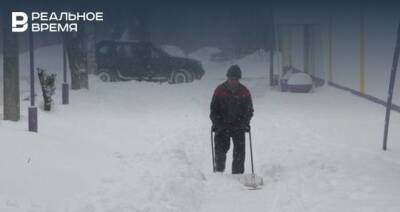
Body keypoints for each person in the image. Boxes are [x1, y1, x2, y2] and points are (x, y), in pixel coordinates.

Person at [210, 64, 254, 174]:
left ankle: (237, 175)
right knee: (220, 152)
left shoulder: (244, 91)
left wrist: (245, 123)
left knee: (239, 153)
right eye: (231, 79)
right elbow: (213, 110)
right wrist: (217, 123)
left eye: (235, 79)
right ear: (227, 78)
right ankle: (219, 173)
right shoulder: (219, 90)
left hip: (238, 126)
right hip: (222, 125)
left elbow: (249, 111)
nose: (233, 81)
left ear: (239, 79)